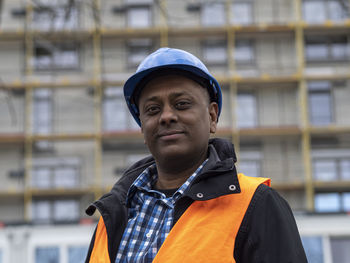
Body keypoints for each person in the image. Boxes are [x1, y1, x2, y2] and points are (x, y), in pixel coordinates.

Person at [84, 48, 307, 263]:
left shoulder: (256, 205)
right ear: (142, 127)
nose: (167, 116)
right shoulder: (111, 216)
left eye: (182, 104)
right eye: (153, 109)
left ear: (212, 116)